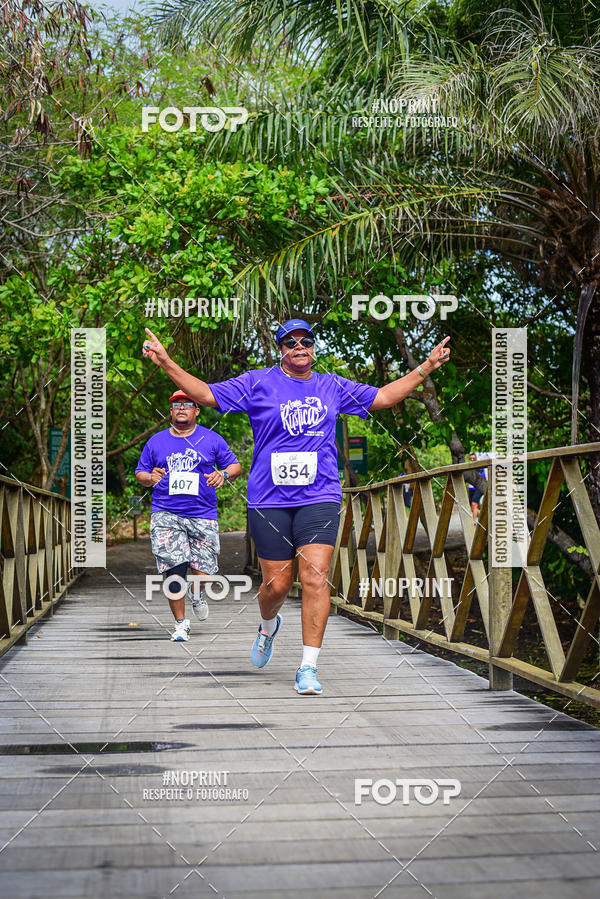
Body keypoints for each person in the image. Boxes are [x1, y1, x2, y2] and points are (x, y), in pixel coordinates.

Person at [142, 320, 451, 690]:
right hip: (268, 500)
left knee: (315, 575)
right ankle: (269, 625)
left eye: (306, 340)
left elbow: (383, 397)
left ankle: (308, 667)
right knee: (276, 584)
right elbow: (206, 394)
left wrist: (426, 367)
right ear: (281, 349)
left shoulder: (331, 386)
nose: (299, 346)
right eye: (291, 341)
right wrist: (165, 362)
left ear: (313, 347)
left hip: (319, 496)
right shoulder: (259, 382)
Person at [135, 391, 241, 641]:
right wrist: (150, 477)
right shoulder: (156, 442)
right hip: (166, 512)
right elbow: (140, 472)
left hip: (202, 513)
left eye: (187, 404)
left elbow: (234, 466)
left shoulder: (212, 438)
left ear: (197, 410)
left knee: (204, 572)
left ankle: (197, 593)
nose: (181, 408)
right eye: (176, 405)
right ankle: (180, 624)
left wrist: (223, 475)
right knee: (174, 569)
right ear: (170, 412)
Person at [467, 452, 487, 521]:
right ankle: (485, 518)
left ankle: (473, 522)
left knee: (474, 504)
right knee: (473, 508)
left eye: (473, 456)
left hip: (478, 487)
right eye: (471, 456)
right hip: (471, 488)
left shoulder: (479, 465)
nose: (472, 458)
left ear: (475, 456)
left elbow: (483, 477)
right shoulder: (468, 465)